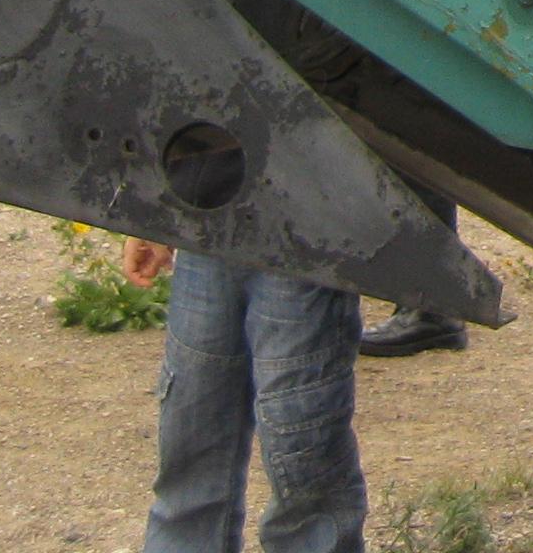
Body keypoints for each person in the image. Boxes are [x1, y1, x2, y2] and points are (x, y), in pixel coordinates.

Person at [124, 237, 366, 553]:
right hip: (205, 232)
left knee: (301, 450)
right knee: (190, 441)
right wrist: (153, 221)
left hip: (308, 238)